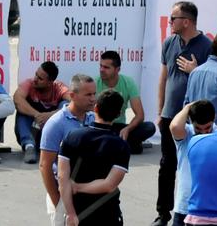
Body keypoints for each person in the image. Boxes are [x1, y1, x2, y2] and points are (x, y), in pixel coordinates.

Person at [156, 1, 214, 226]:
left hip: (195, 117)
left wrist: (195, 71)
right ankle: (163, 213)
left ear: (187, 21)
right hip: (171, 115)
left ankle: (197, 209)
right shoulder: (169, 42)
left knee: (198, 165)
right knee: (167, 164)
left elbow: (210, 78)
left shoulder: (206, 46)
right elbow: (163, 78)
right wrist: (161, 110)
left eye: (174, 18)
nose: (170, 22)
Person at [57, 89, 131, 226]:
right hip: (108, 213)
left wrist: (71, 214)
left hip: (77, 212)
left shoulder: (72, 137)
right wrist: (79, 187)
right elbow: (109, 185)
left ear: (95, 108)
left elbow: (62, 178)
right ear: (119, 114)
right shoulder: (121, 146)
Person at [42, 75, 98, 222]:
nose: (93, 99)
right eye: (88, 95)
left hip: (88, 193)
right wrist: (57, 202)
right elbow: (45, 166)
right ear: (72, 95)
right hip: (63, 194)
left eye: (94, 94)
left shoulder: (94, 119)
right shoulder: (56, 123)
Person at [96, 50, 156, 153]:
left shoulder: (128, 83)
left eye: (106, 67)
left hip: (120, 127)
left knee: (149, 127)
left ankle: (115, 145)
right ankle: (125, 145)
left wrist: (127, 129)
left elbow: (140, 115)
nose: (101, 70)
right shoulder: (95, 83)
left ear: (117, 69)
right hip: (102, 127)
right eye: (101, 66)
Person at [169, 99, 217, 226]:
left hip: (212, 208)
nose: (203, 132)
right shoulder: (186, 133)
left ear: (214, 119)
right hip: (185, 206)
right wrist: (188, 107)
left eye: (207, 128)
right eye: (198, 129)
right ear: (190, 122)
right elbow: (174, 126)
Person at [15, 60, 70, 163]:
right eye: (36, 74)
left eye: (40, 78)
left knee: (65, 105)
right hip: (31, 131)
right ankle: (29, 146)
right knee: (22, 108)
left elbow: (74, 103)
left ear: (50, 82)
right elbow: (17, 100)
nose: (35, 79)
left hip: (49, 134)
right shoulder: (29, 84)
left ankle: (60, 145)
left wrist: (49, 115)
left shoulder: (59, 87)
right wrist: (37, 115)